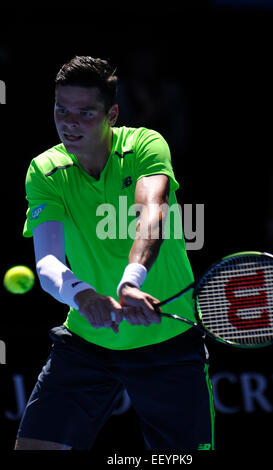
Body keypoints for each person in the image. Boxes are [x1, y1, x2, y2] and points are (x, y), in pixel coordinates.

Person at [14, 56, 215, 451]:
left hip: (168, 338)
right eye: (61, 110)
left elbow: (152, 213)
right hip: (86, 341)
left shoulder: (144, 145)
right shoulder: (45, 169)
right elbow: (48, 260)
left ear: (113, 114)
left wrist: (130, 281)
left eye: (85, 113)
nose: (69, 122)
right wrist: (83, 295)